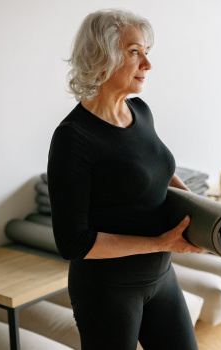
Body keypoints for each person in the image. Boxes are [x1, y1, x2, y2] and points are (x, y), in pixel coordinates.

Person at [47, 9, 204, 350]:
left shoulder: (141, 111)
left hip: (161, 277)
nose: (147, 64)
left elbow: (157, 169)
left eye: (146, 52)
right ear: (101, 57)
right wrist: (162, 242)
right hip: (108, 291)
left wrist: (201, 210)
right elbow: (73, 242)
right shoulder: (73, 137)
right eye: (135, 52)